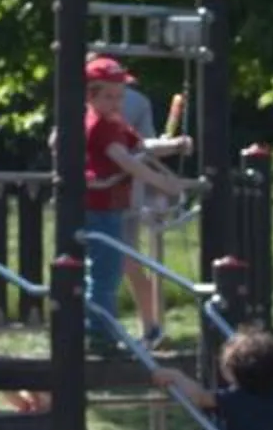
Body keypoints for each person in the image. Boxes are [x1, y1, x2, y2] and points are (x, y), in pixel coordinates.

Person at [79, 55, 191, 343]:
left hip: (113, 207)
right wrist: (162, 181)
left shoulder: (114, 121)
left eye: (120, 95)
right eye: (109, 96)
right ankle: (99, 334)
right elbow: (125, 159)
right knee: (104, 274)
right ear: (89, 95)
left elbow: (141, 145)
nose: (117, 103)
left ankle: (102, 329)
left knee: (111, 271)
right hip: (98, 208)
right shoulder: (98, 124)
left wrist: (173, 145)